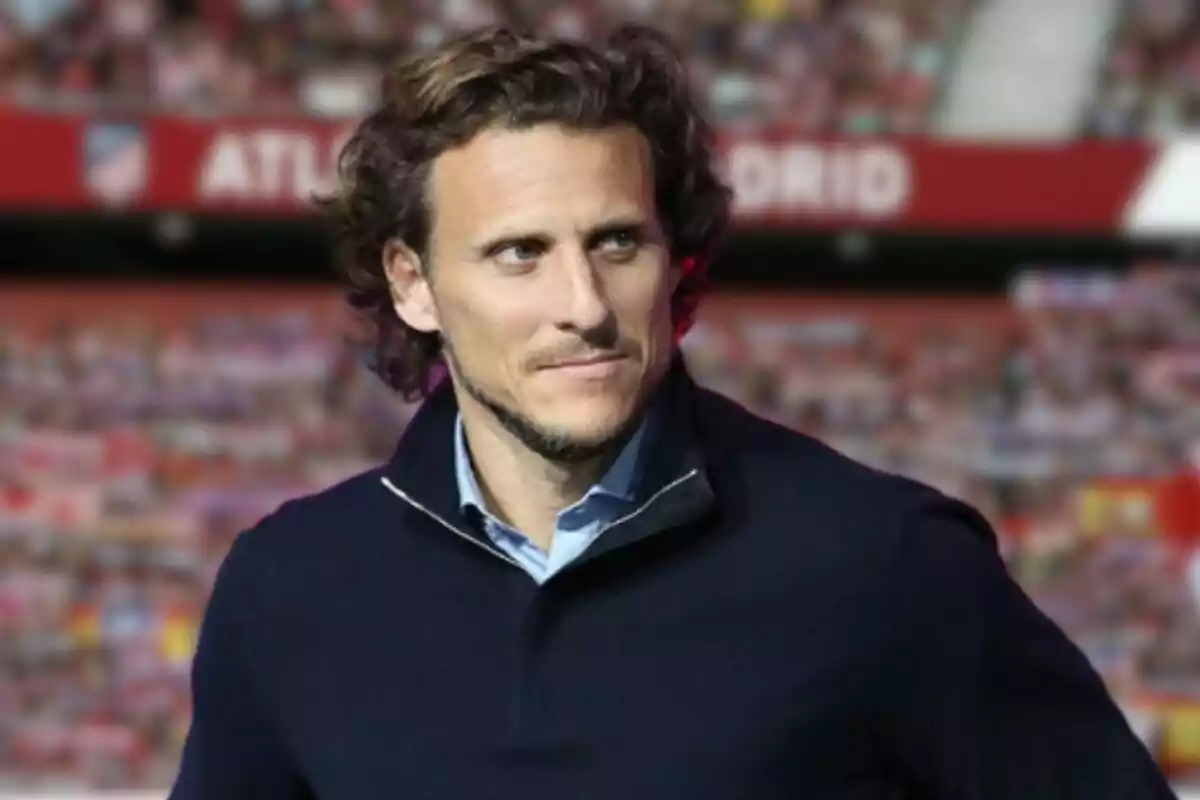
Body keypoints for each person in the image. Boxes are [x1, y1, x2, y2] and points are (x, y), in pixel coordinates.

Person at [169, 25, 1176, 800]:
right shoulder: (286, 589)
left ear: (673, 257)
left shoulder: (889, 563)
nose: (584, 304)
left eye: (616, 242)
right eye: (519, 252)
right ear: (413, 282)